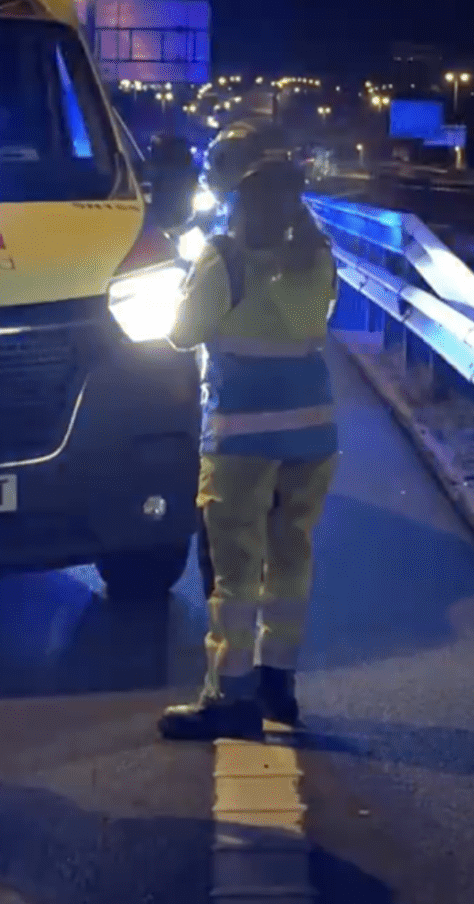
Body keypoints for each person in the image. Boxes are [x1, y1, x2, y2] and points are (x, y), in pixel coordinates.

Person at [158, 135, 340, 741]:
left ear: (234, 195)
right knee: (291, 560)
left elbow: (183, 333)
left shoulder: (225, 258)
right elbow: (318, 319)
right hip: (313, 440)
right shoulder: (319, 254)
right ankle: (277, 689)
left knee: (236, 574)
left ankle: (228, 697)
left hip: (240, 440)